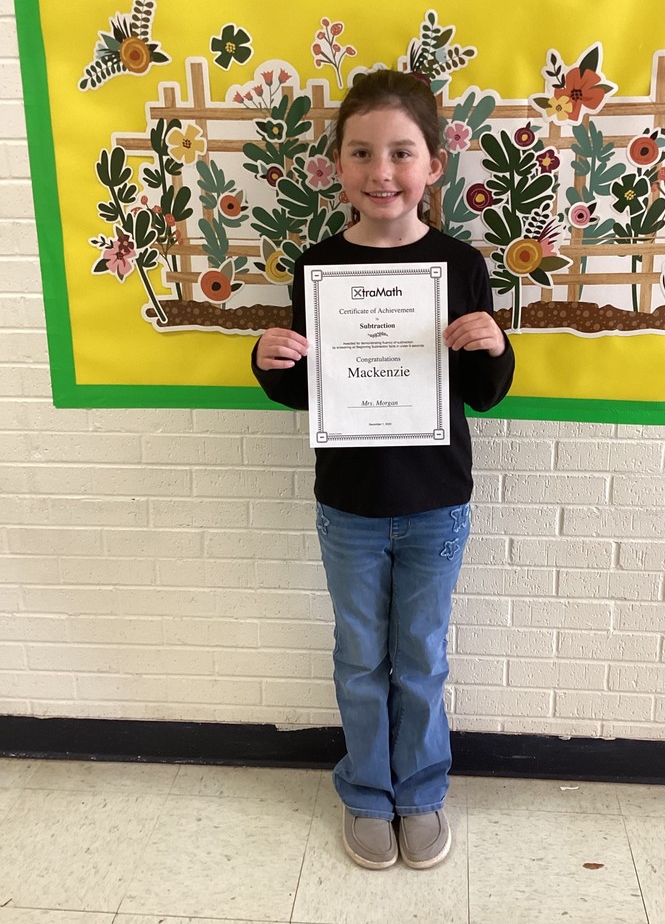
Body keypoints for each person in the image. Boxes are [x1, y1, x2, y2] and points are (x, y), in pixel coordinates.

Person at [252, 69, 514, 870]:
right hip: (351, 508)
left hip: (437, 503)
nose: (382, 171)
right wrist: (268, 363)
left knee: (422, 656)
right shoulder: (318, 267)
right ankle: (368, 792)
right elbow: (310, 389)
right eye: (362, 152)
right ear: (336, 164)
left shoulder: (460, 266)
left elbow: (485, 393)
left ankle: (422, 793)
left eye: (401, 152)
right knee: (361, 657)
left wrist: (495, 348)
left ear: (434, 163)